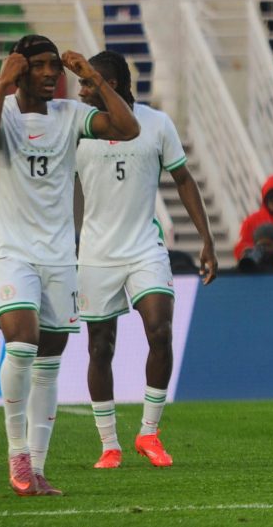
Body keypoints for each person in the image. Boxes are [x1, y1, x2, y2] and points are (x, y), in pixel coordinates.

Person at [0, 35, 140, 496]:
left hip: (61, 255)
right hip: (12, 250)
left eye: (54, 67)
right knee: (21, 343)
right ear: (19, 69)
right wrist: (0, 84)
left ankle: (37, 469)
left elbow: (128, 129)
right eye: (39, 66)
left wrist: (94, 78)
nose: (50, 74)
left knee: (50, 361)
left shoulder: (70, 115)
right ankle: (17, 455)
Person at [75, 50, 218, 470]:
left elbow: (183, 178)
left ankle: (149, 433)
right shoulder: (75, 128)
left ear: (111, 84)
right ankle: (109, 445)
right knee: (101, 347)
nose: (81, 90)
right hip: (96, 253)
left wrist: (206, 239)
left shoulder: (156, 124)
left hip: (144, 247)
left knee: (160, 330)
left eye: (87, 82)